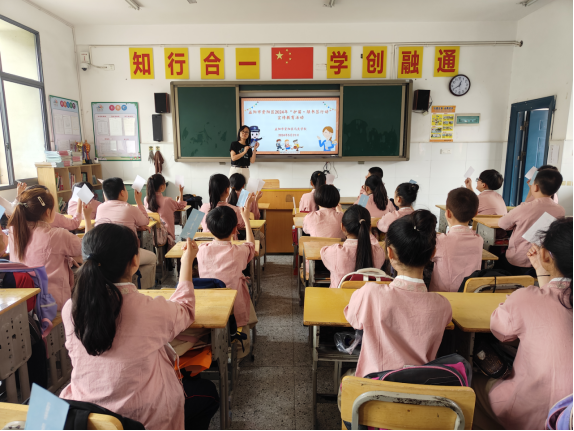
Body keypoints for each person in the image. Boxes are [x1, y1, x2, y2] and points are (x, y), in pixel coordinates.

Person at [59, 224, 219, 430]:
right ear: (135, 262)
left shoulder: (70, 308)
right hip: (141, 420)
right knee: (208, 393)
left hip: (87, 416)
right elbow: (186, 309)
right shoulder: (148, 309)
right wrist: (187, 261)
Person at [473, 218, 573, 430]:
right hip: (567, 418)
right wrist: (542, 273)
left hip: (528, 410)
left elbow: (500, 331)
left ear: (545, 255)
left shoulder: (526, 298)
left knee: (471, 385)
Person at [344, 210, 452, 378]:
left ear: (390, 253)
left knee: (346, 379)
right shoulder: (443, 305)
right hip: (420, 388)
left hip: (374, 387)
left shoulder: (371, 293)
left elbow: (353, 317)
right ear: (432, 253)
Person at [8, 187, 89, 310]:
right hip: (53, 304)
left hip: (25, 301)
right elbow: (88, 247)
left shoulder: (13, 231)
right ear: (48, 212)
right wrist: (87, 218)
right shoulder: (57, 235)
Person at [197, 199, 256, 327]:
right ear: (235, 230)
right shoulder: (239, 251)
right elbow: (251, 246)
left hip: (208, 305)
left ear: (209, 229)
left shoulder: (201, 250)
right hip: (234, 308)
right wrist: (246, 220)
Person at [498, 169, 565, 275]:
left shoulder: (524, 208)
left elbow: (502, 224)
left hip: (518, 259)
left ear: (536, 187)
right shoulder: (560, 210)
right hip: (544, 260)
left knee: (498, 262)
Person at [429, 188, 483, 292]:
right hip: (470, 293)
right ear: (476, 213)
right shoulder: (479, 240)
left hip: (443, 295)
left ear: (447, 213)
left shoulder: (439, 241)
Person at [320, 205, 386, 289]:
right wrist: (368, 232)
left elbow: (323, 251)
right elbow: (375, 243)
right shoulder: (379, 252)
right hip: (368, 296)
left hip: (340, 296)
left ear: (342, 227)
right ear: (369, 228)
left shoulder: (336, 252)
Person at [96, 178, 156, 267]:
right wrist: (138, 201)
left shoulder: (100, 208)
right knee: (153, 258)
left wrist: (135, 228)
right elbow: (146, 221)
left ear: (104, 194)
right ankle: (135, 275)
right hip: (127, 254)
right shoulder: (130, 209)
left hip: (105, 254)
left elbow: (113, 226)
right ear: (122, 193)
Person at [2, 182, 83, 231]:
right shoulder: (54, 218)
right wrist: (79, 201)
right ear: (48, 211)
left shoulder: (20, 220)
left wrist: (19, 195)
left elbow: (13, 209)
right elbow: (74, 223)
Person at [144, 174, 186, 245]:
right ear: (161, 187)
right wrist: (181, 192)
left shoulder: (146, 199)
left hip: (152, 233)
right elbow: (181, 205)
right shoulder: (167, 201)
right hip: (166, 233)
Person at [199, 174, 244, 239]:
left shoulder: (203, 207)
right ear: (227, 190)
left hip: (206, 242)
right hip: (230, 243)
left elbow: (194, 225)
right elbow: (241, 225)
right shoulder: (235, 209)